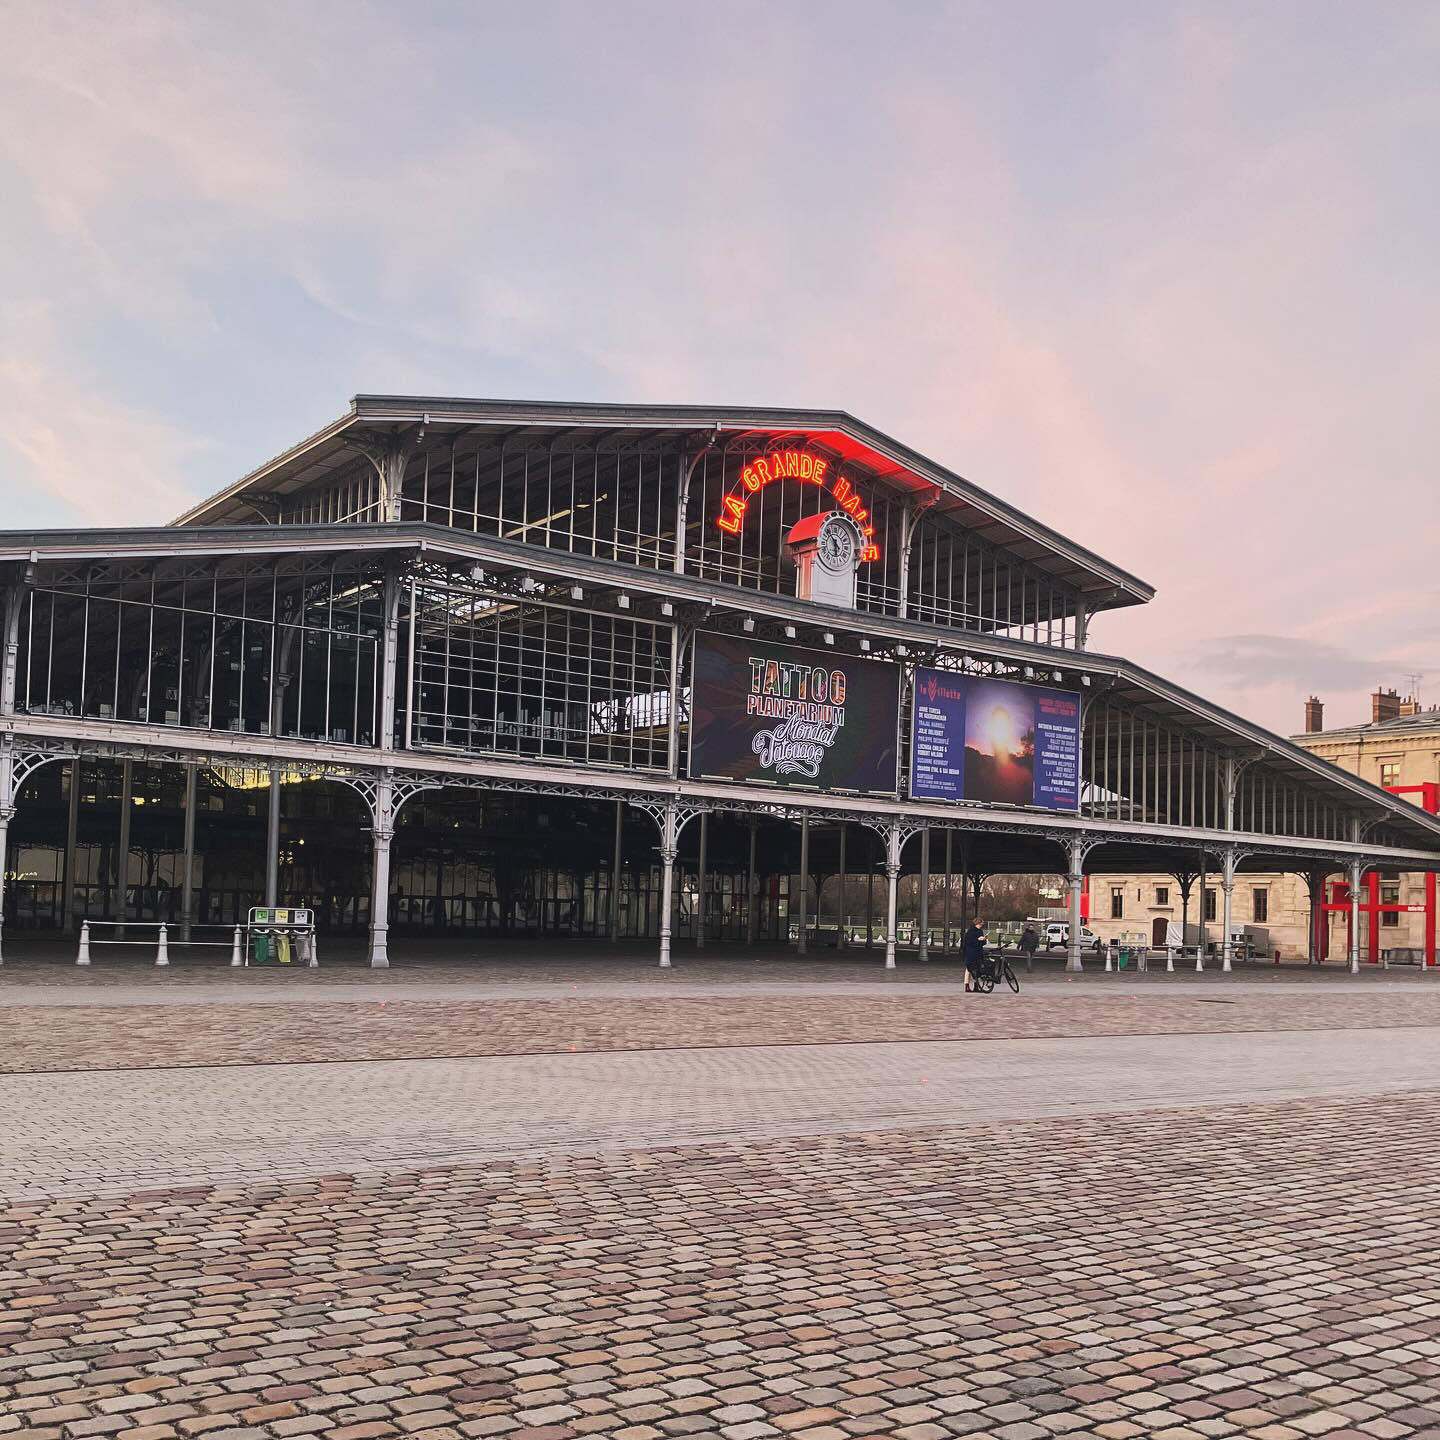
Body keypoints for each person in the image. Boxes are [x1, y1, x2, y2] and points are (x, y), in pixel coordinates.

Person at [962, 918, 988, 993]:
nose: (982, 924)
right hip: (971, 953)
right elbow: (969, 942)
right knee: (969, 969)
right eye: (982, 923)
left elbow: (982, 943)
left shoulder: (979, 931)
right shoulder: (971, 932)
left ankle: (976, 986)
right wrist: (978, 940)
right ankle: (967, 986)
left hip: (977, 952)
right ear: (979, 923)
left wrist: (983, 940)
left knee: (977, 969)